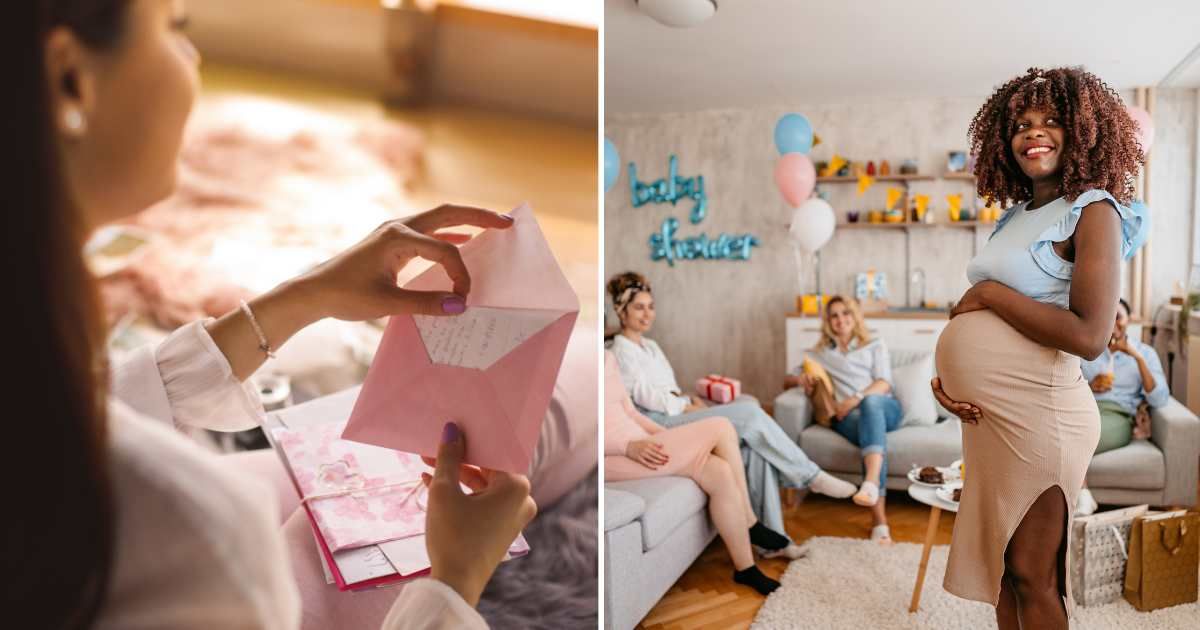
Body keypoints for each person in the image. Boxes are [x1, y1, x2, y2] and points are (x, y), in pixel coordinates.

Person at [10, 2, 591, 627]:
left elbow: (86, 416)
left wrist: (306, 294)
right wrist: (455, 580)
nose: (194, 59)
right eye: (176, 27)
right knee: (540, 413)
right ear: (72, 78)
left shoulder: (41, 383)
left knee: (398, 438)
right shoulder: (204, 540)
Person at [930, 67, 1147, 629]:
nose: (1034, 133)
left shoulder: (1094, 209)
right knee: (1003, 569)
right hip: (991, 418)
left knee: (1033, 572)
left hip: (1042, 415)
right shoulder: (1015, 217)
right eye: (1022, 124)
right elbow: (980, 311)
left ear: (1082, 130)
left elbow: (1089, 335)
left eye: (1051, 120)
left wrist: (986, 293)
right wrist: (947, 383)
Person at [606, 272, 856, 537]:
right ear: (622, 312)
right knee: (749, 412)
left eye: (651, 306)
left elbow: (669, 387)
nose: (647, 314)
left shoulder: (651, 346)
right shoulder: (618, 353)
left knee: (752, 449)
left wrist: (689, 399)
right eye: (639, 308)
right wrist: (686, 407)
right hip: (659, 421)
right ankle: (809, 476)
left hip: (674, 409)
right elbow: (648, 398)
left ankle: (774, 541)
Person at [604, 353, 796, 595]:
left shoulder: (607, 358)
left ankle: (745, 569)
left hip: (641, 442)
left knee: (720, 471)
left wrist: (664, 437)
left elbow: (630, 413)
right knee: (722, 425)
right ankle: (749, 521)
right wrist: (627, 447)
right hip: (611, 458)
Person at [783, 296, 903, 544]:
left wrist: (854, 398)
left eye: (845, 313)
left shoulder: (874, 344)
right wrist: (800, 380)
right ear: (828, 322)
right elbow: (787, 379)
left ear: (854, 316)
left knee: (870, 405)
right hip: (848, 418)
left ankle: (870, 485)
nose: (841, 320)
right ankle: (879, 521)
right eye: (834, 315)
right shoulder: (820, 354)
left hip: (883, 406)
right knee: (872, 436)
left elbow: (883, 383)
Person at [1074, 298, 1168, 515]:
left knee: (1076, 436)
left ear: (1129, 320)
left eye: (1118, 317)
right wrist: (1089, 385)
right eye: (1108, 316)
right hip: (1085, 409)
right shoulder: (1087, 351)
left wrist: (1136, 357)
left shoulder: (1146, 353)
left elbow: (1159, 398)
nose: (1113, 322)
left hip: (1118, 415)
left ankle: (1083, 494)